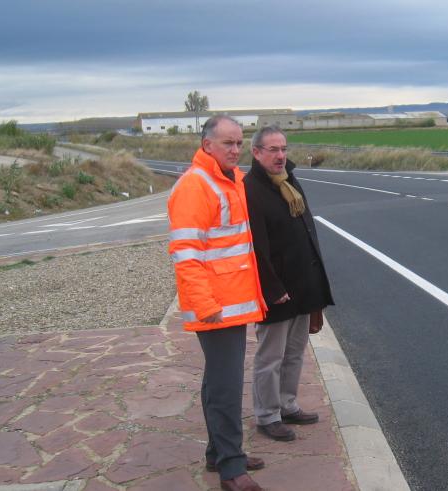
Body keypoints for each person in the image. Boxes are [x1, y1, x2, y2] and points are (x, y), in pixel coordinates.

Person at [167, 115, 266, 491]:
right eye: (228, 143)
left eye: (239, 143)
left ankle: (220, 453)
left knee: (217, 382)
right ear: (207, 145)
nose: (236, 150)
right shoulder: (196, 186)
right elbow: (186, 253)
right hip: (216, 307)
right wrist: (206, 304)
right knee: (225, 387)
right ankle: (231, 468)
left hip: (232, 303)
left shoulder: (232, 180)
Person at [244, 125, 334, 442]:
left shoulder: (288, 181)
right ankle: (267, 415)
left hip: (303, 287)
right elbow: (256, 246)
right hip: (277, 292)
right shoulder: (251, 189)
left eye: (284, 148)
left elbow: (306, 234)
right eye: (273, 150)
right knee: (270, 358)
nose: (281, 155)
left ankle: (287, 404)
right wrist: (272, 289)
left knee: (295, 352)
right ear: (256, 153)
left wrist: (317, 290)